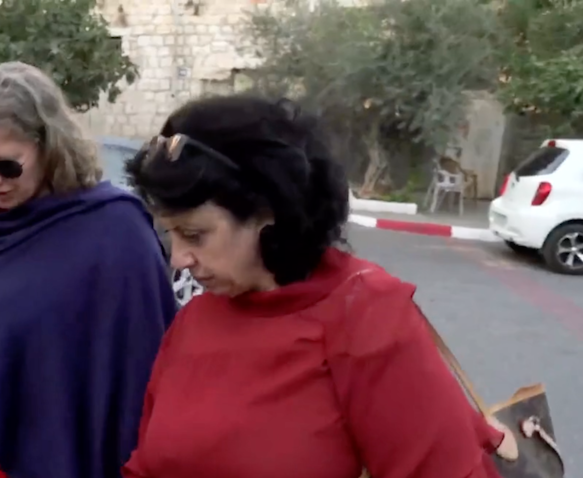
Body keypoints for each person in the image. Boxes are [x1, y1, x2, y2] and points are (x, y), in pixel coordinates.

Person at [121, 95, 511, 478]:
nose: (179, 259)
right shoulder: (196, 320)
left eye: (194, 234)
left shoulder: (366, 316)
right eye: (171, 234)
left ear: (266, 212)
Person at [0, 62, 177, 478]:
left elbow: (146, 376)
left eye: (6, 165)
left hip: (77, 457)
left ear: (50, 145)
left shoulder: (116, 233)